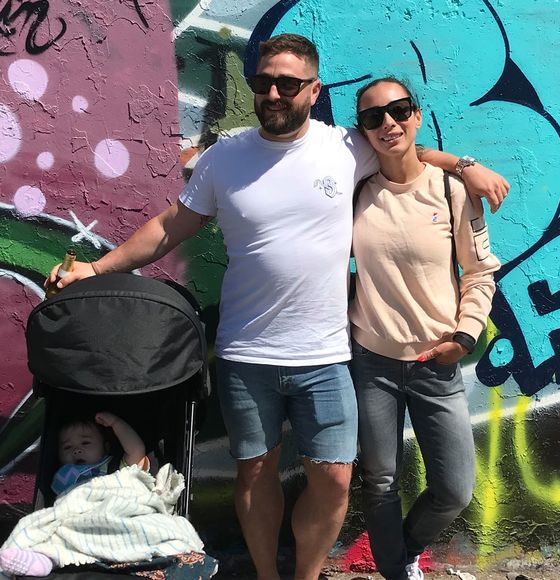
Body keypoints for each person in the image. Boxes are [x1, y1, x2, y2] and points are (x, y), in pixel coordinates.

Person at [46, 34, 508, 580]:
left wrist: (464, 165)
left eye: (288, 83)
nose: (273, 93)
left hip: (328, 356)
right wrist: (97, 268)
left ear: (313, 90)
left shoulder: (345, 147)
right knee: (255, 473)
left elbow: (403, 147)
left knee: (335, 480)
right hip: (247, 354)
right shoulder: (225, 157)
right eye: (263, 82)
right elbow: (172, 225)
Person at [349, 76, 501, 580]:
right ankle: (397, 571)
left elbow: (479, 272)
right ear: (362, 130)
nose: (388, 123)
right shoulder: (356, 192)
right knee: (380, 482)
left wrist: (465, 336)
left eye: (399, 110)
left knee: (455, 489)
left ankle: (404, 551)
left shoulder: (451, 189)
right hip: (371, 361)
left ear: (416, 115)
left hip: (436, 360)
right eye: (373, 117)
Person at [0, 412, 148, 577]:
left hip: (110, 512)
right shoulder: (63, 477)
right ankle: (41, 560)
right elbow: (59, 511)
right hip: (76, 520)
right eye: (67, 447)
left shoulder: (113, 468)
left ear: (106, 447)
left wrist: (116, 423)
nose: (76, 450)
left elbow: (137, 450)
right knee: (51, 531)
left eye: (85, 443)